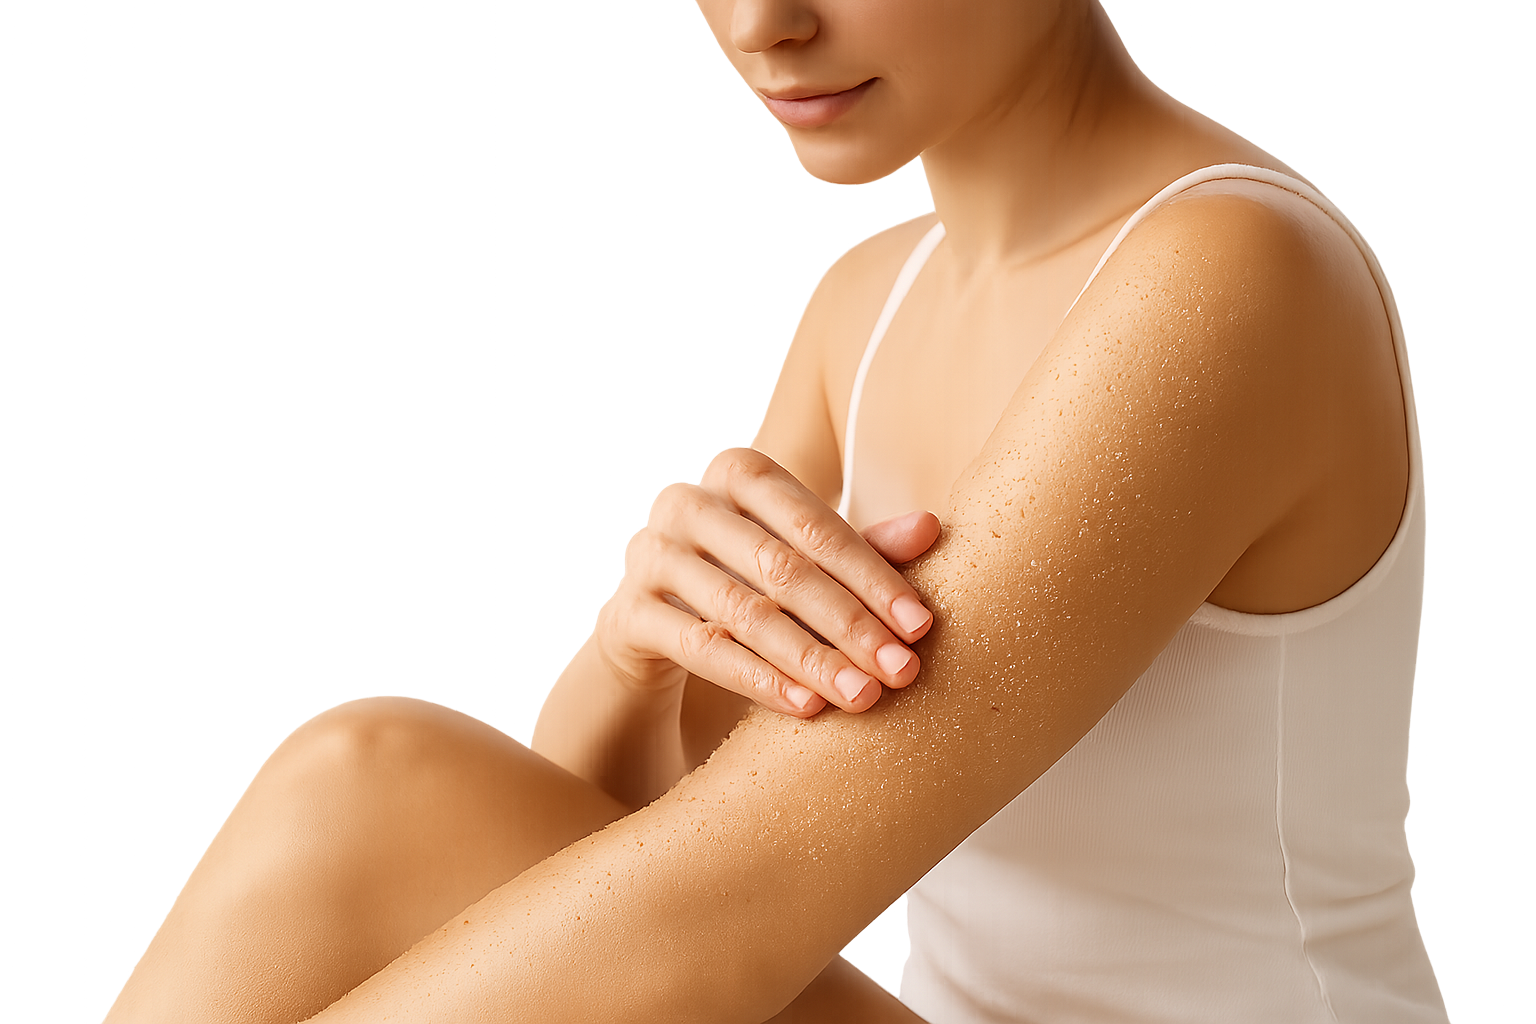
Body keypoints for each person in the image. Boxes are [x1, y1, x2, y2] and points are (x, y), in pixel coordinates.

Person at [106, 1, 1450, 1022]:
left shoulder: (1233, 278)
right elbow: (592, 885)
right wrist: (633, 669)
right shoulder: (868, 310)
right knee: (366, 793)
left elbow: (747, 899)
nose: (763, 25)